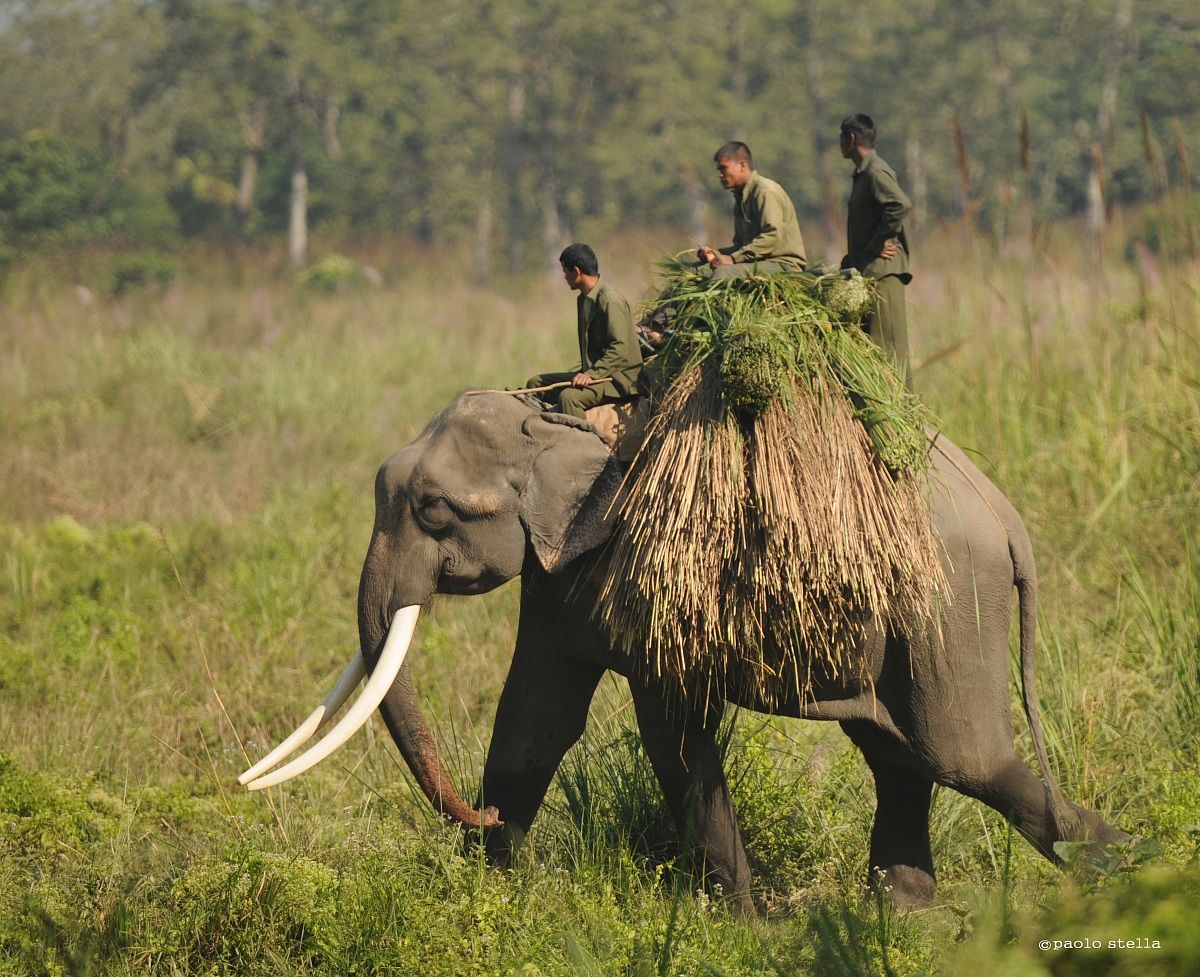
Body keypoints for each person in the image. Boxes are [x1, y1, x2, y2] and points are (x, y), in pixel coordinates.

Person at [525, 243, 642, 419]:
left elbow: (620, 347)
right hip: (597, 373)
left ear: (577, 272)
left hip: (618, 379)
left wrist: (591, 375)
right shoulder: (584, 299)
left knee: (569, 398)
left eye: (565, 271)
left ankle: (585, 442)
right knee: (534, 383)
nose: (564, 277)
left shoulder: (610, 300)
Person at [839, 113, 913, 388]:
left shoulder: (874, 171)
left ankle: (903, 420)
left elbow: (900, 204)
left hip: (884, 273)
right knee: (875, 346)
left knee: (890, 349)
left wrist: (881, 239)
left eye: (841, 137)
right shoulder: (863, 174)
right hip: (870, 272)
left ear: (851, 138)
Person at [697, 141, 807, 277]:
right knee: (698, 270)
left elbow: (772, 237)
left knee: (722, 274)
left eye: (724, 169)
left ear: (742, 165)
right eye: (719, 170)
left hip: (783, 264)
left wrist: (733, 259)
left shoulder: (765, 191)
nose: (720, 175)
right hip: (757, 262)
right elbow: (740, 247)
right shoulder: (740, 197)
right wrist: (715, 254)